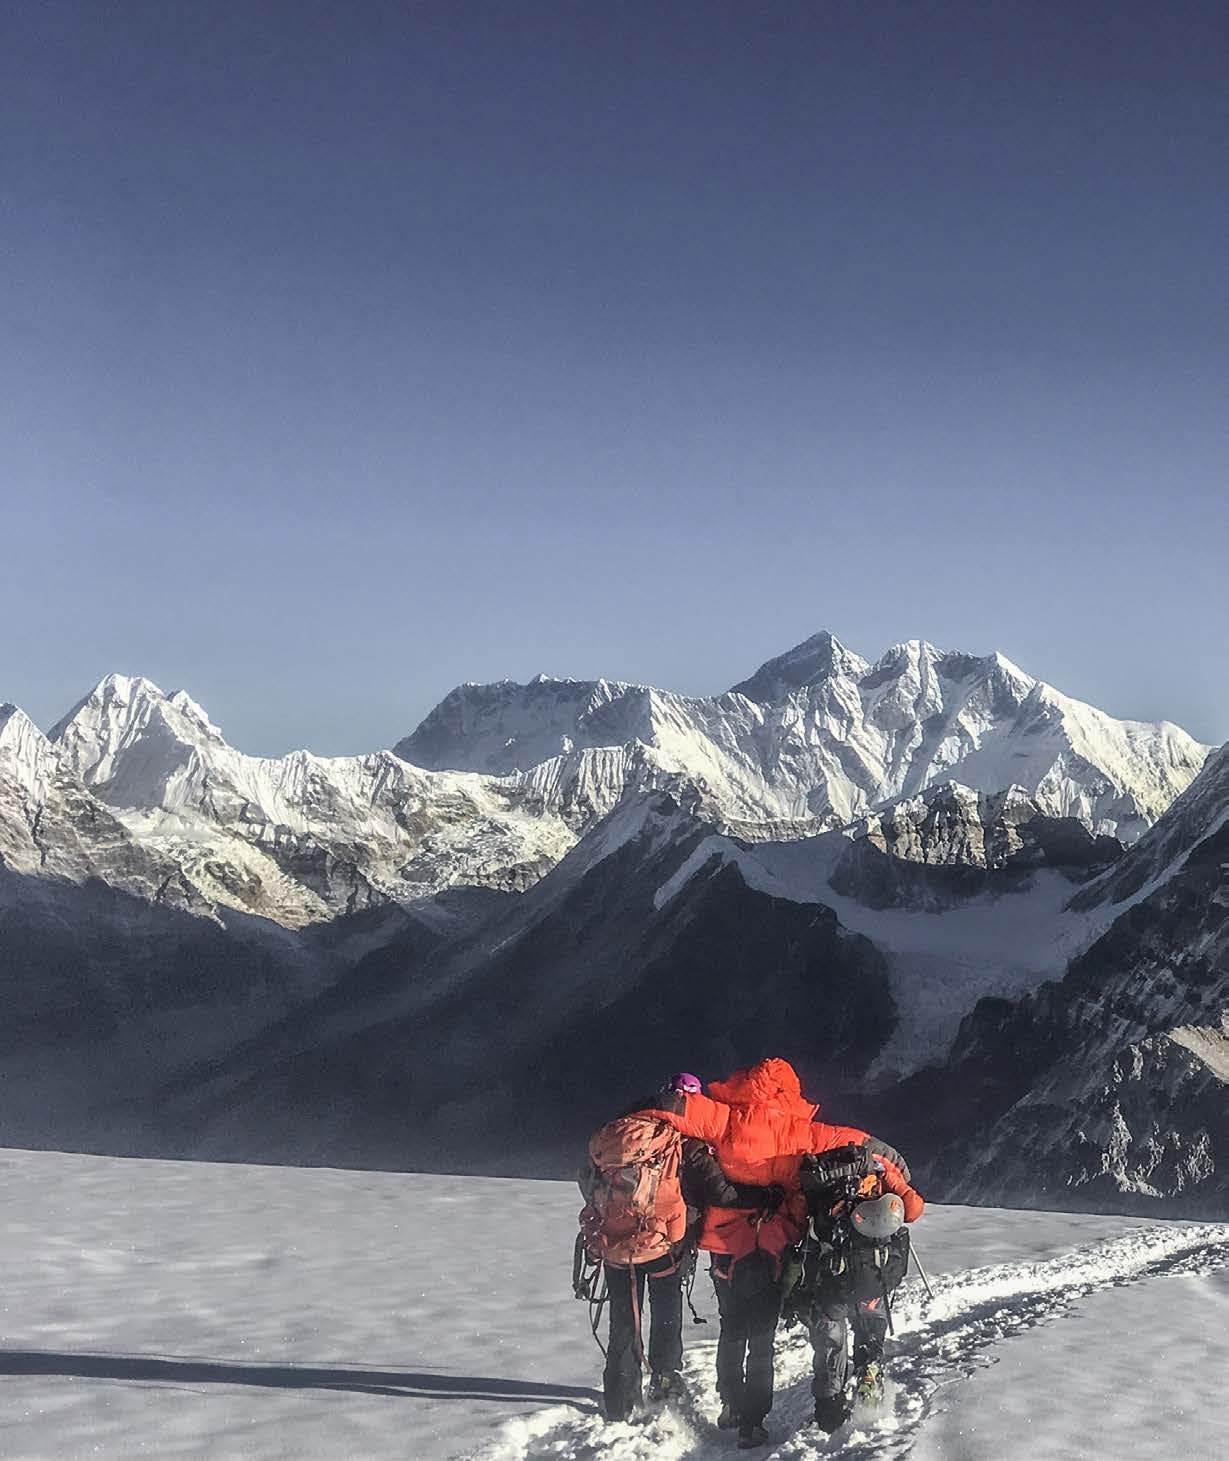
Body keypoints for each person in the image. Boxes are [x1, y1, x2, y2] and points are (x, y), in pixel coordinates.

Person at [645, 1057, 923, 1450]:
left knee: (732, 1325)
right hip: (776, 1243)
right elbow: (861, 1143)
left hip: (726, 1244)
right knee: (762, 1335)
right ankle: (753, 1423)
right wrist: (898, 1173)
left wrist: (629, 1117)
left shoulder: (725, 1119)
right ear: (790, 1091)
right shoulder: (804, 1131)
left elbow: (674, 1108)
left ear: (747, 1083)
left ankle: (731, 1405)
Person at [579, 1073, 779, 1423]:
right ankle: (665, 1381)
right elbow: (721, 1192)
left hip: (614, 1245)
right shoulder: (685, 1143)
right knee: (666, 1314)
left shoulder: (619, 1134)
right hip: (666, 1245)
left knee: (623, 1319)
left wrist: (615, 1216)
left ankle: (619, 1400)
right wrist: (765, 1196)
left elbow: (586, 1179)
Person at [790, 1142, 921, 1431]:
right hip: (871, 1274)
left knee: (830, 1342)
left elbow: (796, 1218)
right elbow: (912, 1209)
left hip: (831, 1282)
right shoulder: (878, 1168)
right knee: (871, 1325)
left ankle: (830, 1412)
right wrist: (889, 1178)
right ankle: (870, 1380)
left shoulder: (815, 1170)